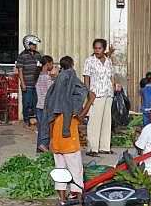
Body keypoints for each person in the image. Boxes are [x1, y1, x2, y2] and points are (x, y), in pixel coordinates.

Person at [44, 56, 95, 205]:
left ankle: (62, 198)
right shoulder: (72, 102)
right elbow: (80, 116)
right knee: (76, 170)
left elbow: (50, 120)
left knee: (60, 169)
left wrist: (51, 140)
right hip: (70, 140)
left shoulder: (55, 95)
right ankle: (78, 198)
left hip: (57, 140)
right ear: (72, 65)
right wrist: (91, 99)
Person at [83, 39, 114, 157]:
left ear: (104, 49)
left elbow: (111, 76)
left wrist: (114, 87)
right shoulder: (89, 61)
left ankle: (104, 147)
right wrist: (88, 92)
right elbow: (86, 77)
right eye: (95, 48)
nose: (97, 50)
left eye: (99, 48)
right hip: (96, 94)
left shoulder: (108, 61)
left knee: (107, 121)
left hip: (108, 93)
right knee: (94, 121)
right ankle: (92, 148)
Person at [16, 35, 42, 129]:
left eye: (35, 44)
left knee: (37, 103)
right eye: (33, 44)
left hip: (37, 84)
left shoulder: (38, 55)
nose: (35, 46)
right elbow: (20, 70)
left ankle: (38, 121)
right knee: (26, 103)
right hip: (27, 84)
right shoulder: (22, 55)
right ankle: (26, 120)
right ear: (27, 44)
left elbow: (40, 68)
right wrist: (22, 83)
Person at [35, 55, 53, 152]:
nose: (52, 66)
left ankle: (39, 147)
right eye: (52, 64)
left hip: (38, 105)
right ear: (48, 64)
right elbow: (50, 93)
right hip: (45, 106)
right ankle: (43, 145)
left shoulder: (38, 76)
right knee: (45, 128)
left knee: (41, 127)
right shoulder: (47, 77)